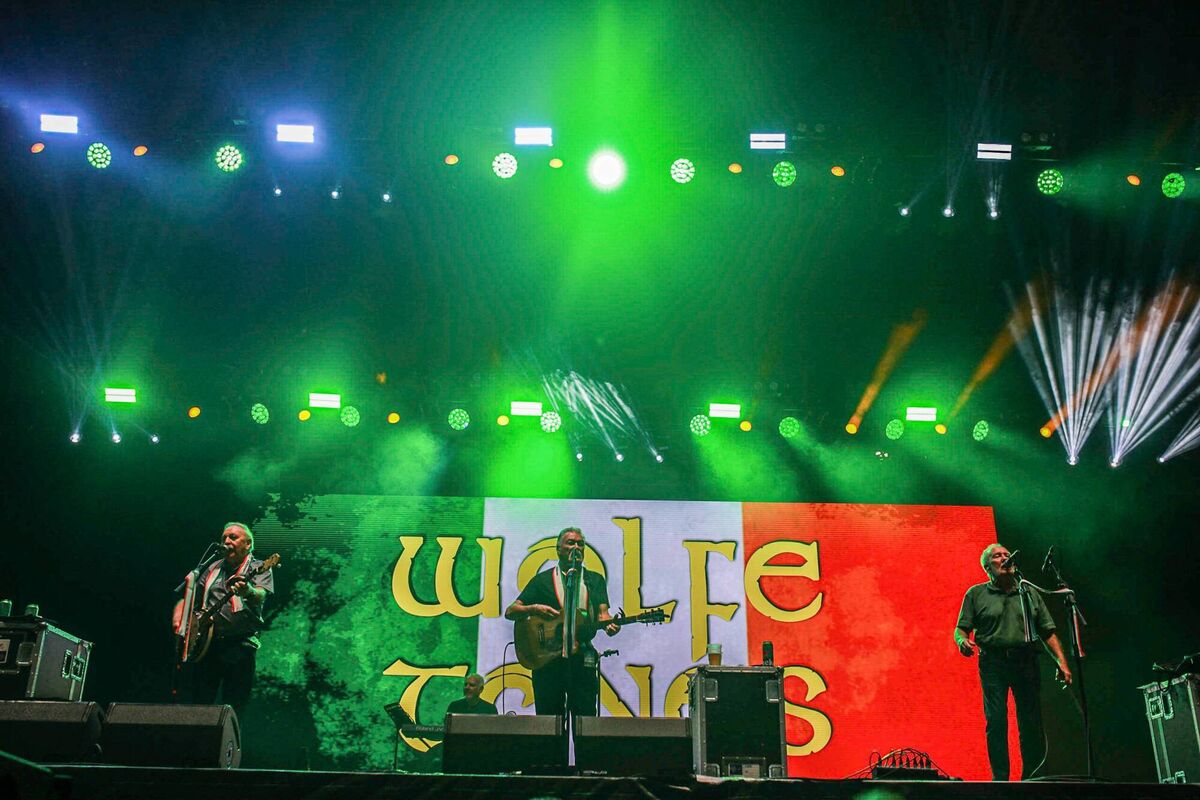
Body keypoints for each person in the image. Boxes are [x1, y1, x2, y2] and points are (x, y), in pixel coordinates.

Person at [954, 543, 1072, 781]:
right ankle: (1001, 780)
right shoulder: (976, 594)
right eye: (997, 556)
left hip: (1025, 661)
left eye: (1007, 555)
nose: (1004, 558)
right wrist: (962, 641)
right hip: (993, 663)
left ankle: (1032, 779)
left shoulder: (1028, 592)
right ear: (987, 567)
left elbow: (1047, 631)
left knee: (1031, 721)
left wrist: (1062, 662)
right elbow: (961, 629)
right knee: (996, 720)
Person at [503, 527, 618, 717]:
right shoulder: (542, 581)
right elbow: (511, 611)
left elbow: (603, 616)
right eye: (571, 543)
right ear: (558, 549)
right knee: (549, 720)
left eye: (580, 544)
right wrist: (534, 608)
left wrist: (611, 625)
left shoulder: (594, 580)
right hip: (547, 660)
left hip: (582, 659)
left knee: (585, 719)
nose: (577, 547)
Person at [173, 522, 274, 718]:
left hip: (240, 646)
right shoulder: (212, 567)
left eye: (233, 537)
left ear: (248, 544)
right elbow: (189, 599)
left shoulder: (259, 567)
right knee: (200, 704)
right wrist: (179, 619)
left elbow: (260, 595)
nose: (227, 541)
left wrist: (248, 591)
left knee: (234, 707)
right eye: (224, 538)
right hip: (207, 646)